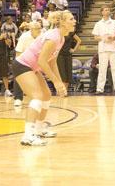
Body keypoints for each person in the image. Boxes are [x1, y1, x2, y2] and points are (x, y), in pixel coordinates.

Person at [13, 10, 75, 146]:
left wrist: (60, 83)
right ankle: (28, 136)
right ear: (63, 23)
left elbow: (52, 62)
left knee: (46, 95)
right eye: (71, 19)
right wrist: (56, 82)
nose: (74, 21)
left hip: (32, 67)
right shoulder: (53, 37)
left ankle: (39, 129)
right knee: (37, 97)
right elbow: (42, 62)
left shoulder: (61, 38)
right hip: (22, 65)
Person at [92, 6, 115, 95]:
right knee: (102, 69)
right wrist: (104, 38)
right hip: (103, 49)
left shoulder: (114, 23)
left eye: (108, 10)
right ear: (102, 12)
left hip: (114, 49)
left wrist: (114, 37)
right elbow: (95, 37)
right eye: (106, 10)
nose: (107, 11)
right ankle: (99, 89)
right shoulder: (98, 24)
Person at [13, 22, 42, 107]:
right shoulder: (24, 37)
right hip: (23, 61)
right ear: (31, 29)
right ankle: (18, 99)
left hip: (35, 62)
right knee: (18, 78)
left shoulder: (41, 37)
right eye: (37, 29)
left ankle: (35, 99)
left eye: (40, 28)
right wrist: (18, 65)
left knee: (37, 80)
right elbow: (18, 52)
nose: (39, 30)